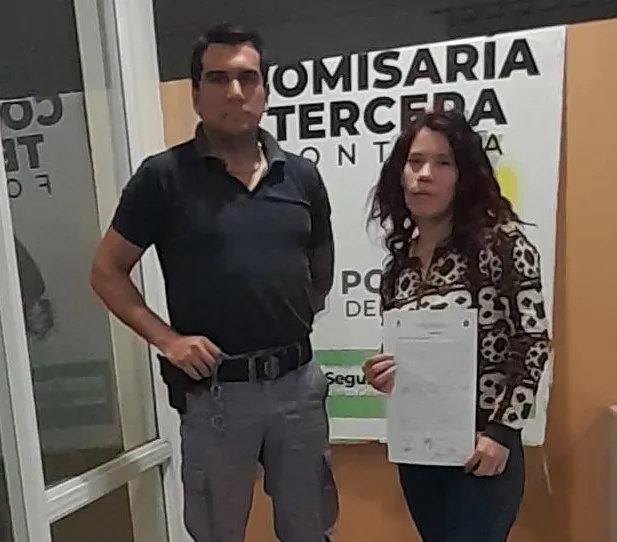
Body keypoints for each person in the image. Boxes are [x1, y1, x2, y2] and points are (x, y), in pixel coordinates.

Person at [90, 23, 338, 542]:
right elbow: (106, 272)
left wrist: (294, 310)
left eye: (248, 78)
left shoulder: (301, 177)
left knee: (311, 529)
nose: (235, 92)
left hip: (298, 387)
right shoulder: (163, 178)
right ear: (196, 93)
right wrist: (168, 340)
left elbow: (320, 258)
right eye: (218, 78)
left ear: (265, 90)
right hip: (218, 395)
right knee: (217, 533)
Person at [362, 109, 552, 542]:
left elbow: (532, 342)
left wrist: (502, 432)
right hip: (420, 451)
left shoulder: (502, 244)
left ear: (463, 175)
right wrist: (383, 371)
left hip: (483, 449)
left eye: (442, 162)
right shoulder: (398, 266)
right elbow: (401, 351)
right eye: (414, 162)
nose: (424, 175)